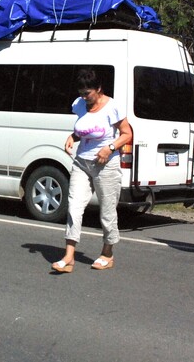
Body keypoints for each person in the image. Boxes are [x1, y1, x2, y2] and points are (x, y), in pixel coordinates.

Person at [51, 68, 133, 273]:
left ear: (99, 89)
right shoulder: (79, 105)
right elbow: (84, 129)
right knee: (74, 207)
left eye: (88, 93)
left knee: (107, 211)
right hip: (82, 162)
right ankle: (69, 256)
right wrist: (73, 137)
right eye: (81, 93)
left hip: (106, 165)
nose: (84, 97)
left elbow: (127, 134)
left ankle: (107, 253)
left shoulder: (112, 107)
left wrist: (110, 148)